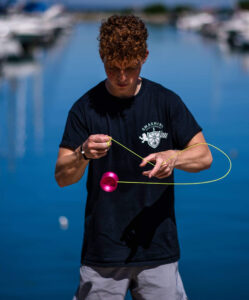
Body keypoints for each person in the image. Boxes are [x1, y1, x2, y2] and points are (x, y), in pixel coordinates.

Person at [55, 15, 212, 300]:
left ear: (145, 56)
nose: (123, 77)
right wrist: (82, 153)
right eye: (113, 68)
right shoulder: (83, 109)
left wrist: (174, 157)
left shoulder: (166, 101)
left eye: (131, 67)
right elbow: (62, 177)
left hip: (158, 251)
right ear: (102, 57)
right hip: (102, 254)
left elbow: (204, 156)